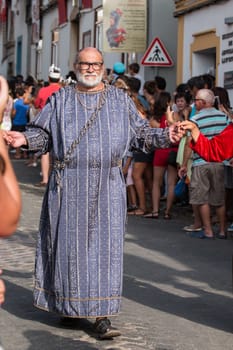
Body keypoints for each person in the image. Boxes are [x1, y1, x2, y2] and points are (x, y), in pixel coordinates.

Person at [4, 47, 183, 339]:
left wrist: (167, 135)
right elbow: (43, 135)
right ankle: (68, 307)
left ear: (103, 67)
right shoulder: (60, 100)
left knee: (104, 251)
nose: (90, 68)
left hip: (108, 187)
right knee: (68, 250)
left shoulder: (119, 100)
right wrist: (23, 136)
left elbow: (140, 134)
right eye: (84, 64)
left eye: (95, 63)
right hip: (67, 185)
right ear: (75, 66)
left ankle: (101, 316)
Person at [179, 89, 229, 239]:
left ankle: (208, 231)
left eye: (196, 100)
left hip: (201, 162)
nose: (195, 103)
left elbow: (189, 143)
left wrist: (183, 164)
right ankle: (222, 230)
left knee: (202, 198)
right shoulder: (224, 117)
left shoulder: (196, 119)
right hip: (219, 162)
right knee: (219, 198)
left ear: (203, 102)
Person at [33, 64, 62, 186]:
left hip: (46, 123)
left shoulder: (43, 91)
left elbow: (36, 104)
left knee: (45, 151)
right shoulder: (63, 90)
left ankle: (45, 178)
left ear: (49, 78)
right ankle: (55, 177)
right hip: (60, 122)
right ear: (59, 79)